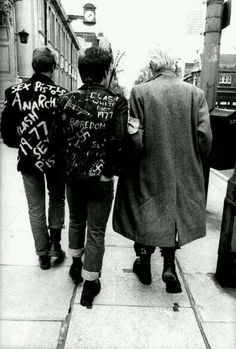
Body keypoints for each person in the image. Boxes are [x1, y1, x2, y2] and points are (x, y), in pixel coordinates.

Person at [113, 48, 213, 293]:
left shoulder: (140, 92)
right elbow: (205, 137)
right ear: (175, 67)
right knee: (174, 213)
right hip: (183, 168)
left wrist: (132, 163)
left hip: (148, 166)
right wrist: (194, 160)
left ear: (153, 68)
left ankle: (144, 262)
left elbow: (135, 136)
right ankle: (169, 266)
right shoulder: (196, 94)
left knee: (145, 211)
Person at [52, 46, 128, 306]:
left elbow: (56, 140)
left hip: (73, 176)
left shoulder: (66, 99)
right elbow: (119, 140)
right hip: (100, 179)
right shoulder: (117, 101)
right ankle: (91, 282)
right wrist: (108, 172)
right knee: (96, 230)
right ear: (106, 72)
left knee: (75, 219)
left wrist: (66, 170)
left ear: (82, 71)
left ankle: (76, 263)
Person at [1, 47, 67, 270]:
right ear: (54, 68)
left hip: (29, 159)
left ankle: (42, 254)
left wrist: (24, 142)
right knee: (57, 198)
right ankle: (55, 244)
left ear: (33, 66)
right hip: (55, 160)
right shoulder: (61, 94)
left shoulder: (14, 93)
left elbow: (8, 136)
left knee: (35, 206)